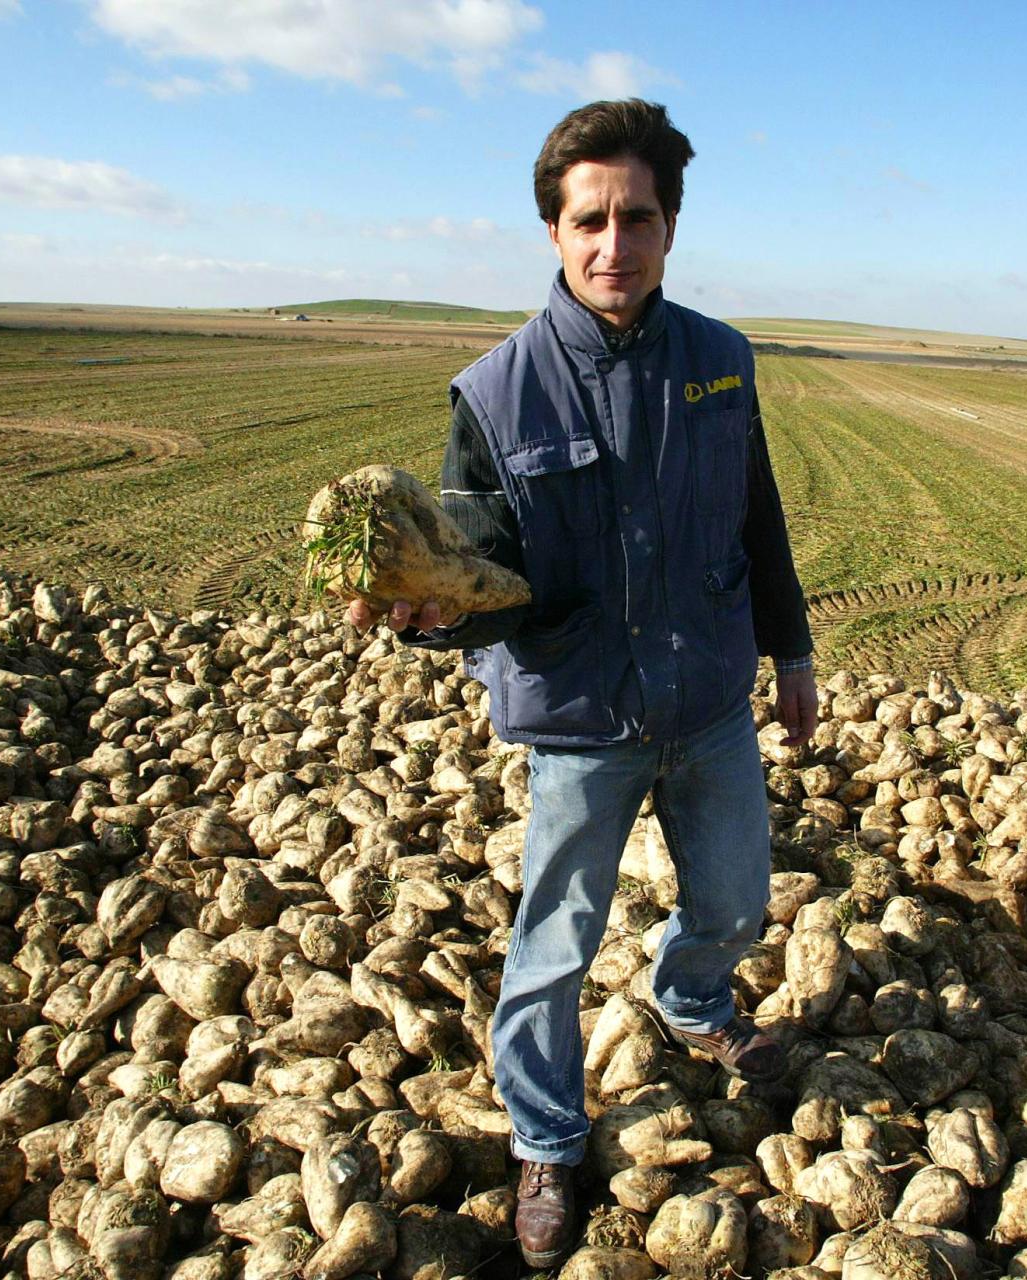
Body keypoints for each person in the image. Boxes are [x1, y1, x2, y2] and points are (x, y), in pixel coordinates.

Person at [347, 98, 816, 1268]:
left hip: (706, 700)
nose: (616, 245)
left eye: (638, 218)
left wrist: (791, 647)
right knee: (551, 947)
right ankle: (548, 1136)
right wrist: (422, 609)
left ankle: (694, 1001)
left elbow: (755, 514)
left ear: (670, 227)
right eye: (590, 219)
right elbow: (468, 567)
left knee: (737, 902)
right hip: (579, 719)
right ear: (554, 233)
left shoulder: (720, 363)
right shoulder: (496, 395)